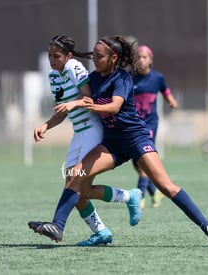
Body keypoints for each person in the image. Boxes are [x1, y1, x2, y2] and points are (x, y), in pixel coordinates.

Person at [29, 35, 208, 247]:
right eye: (93, 55)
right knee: (76, 177)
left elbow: (114, 107)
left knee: (166, 186)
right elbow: (80, 99)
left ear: (113, 57)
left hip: (135, 138)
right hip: (112, 143)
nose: (94, 59)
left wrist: (78, 105)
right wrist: (53, 119)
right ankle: (58, 226)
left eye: (99, 56)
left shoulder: (122, 78)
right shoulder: (94, 78)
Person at [29, 34, 142, 246]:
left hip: (92, 130)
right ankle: (109, 221)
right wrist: (46, 125)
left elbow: (88, 99)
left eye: (57, 56)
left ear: (68, 56)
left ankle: (58, 225)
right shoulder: (53, 76)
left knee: (75, 180)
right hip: (79, 132)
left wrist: (73, 103)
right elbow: (63, 111)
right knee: (75, 186)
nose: (52, 60)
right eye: (49, 56)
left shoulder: (74, 67)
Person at [132, 45, 178, 208]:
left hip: (150, 124)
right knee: (137, 163)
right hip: (134, 125)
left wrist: (171, 100)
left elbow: (166, 91)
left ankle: (139, 197)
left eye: (144, 57)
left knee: (143, 157)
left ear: (150, 60)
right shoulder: (130, 78)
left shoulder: (157, 77)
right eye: (138, 57)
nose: (141, 60)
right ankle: (155, 191)